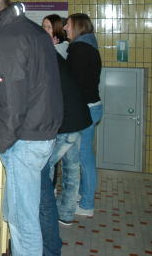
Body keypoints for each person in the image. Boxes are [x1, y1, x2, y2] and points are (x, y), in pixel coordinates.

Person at [0, 0, 62, 256]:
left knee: (23, 222)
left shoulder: (6, 39)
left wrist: (2, 141)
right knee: (22, 210)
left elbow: (11, 99)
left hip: (25, 139)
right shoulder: (31, 30)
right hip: (42, 132)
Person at [39, 53, 93, 255]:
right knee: (72, 169)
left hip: (67, 123)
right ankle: (67, 214)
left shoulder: (42, 58)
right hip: (78, 118)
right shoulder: (53, 56)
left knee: (44, 169)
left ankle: (47, 218)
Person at [64, 13, 102, 217]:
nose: (65, 28)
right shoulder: (90, 46)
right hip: (92, 106)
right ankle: (83, 196)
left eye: (68, 25)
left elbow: (74, 83)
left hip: (85, 108)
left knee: (84, 157)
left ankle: (87, 204)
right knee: (84, 155)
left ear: (78, 26)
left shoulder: (79, 49)